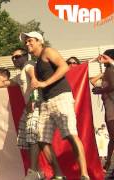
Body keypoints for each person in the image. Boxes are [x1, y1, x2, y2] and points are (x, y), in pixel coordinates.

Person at [20, 31, 89, 179]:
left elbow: (64, 67)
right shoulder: (36, 63)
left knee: (71, 134)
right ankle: (58, 174)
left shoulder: (48, 51)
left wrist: (44, 83)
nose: (27, 44)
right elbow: (34, 85)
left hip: (61, 98)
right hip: (45, 102)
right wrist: (33, 99)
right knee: (42, 139)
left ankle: (84, 174)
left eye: (30, 40)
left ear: (39, 41)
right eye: (25, 42)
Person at [0, 48, 45, 179]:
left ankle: (33, 172)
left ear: (26, 56)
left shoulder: (29, 65)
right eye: (13, 57)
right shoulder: (21, 75)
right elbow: (5, 83)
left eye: (18, 56)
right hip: (31, 108)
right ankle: (39, 172)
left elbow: (34, 80)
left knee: (33, 139)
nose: (15, 59)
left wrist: (34, 99)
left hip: (35, 106)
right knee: (33, 140)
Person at [91, 49, 114, 173]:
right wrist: (102, 74)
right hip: (109, 108)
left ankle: (108, 163)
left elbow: (112, 86)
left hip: (111, 108)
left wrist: (101, 90)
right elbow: (92, 81)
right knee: (112, 138)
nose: (101, 59)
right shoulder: (108, 71)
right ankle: (108, 162)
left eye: (104, 57)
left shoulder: (111, 70)